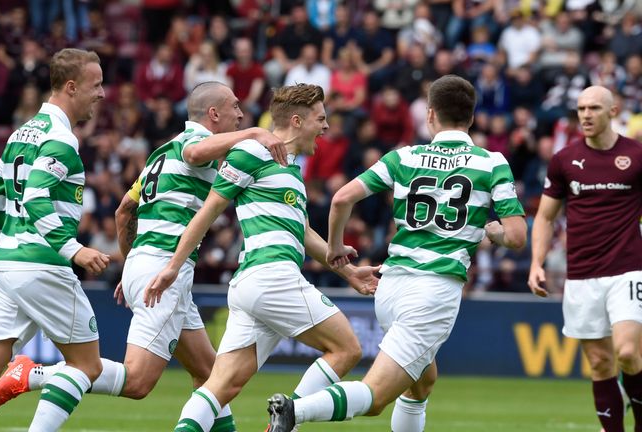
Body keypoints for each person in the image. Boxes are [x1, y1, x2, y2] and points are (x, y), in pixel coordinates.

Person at [0, 81, 287, 431]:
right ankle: (35, 374)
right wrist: (254, 133)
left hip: (144, 263)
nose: (241, 114)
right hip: (165, 270)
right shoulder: (192, 146)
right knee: (138, 381)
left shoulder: (162, 153)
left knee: (209, 374)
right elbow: (195, 154)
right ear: (214, 114)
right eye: (235, 107)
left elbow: (124, 211)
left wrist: (130, 267)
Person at [266, 75, 527, 432]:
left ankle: (295, 412)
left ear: (430, 114)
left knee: (421, 383)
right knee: (375, 397)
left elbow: (342, 198)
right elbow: (516, 236)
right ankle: (294, 412)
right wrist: (494, 233)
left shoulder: (404, 156)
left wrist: (335, 248)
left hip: (390, 289)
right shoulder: (491, 163)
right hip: (433, 291)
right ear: (471, 117)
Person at [145, 83, 380, 432]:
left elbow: (304, 233)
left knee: (220, 387)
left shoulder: (291, 169)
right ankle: (288, 420)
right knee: (346, 349)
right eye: (320, 119)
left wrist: (350, 273)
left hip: (253, 285)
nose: (326, 126)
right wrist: (172, 267)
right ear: (297, 121)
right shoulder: (253, 152)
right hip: (272, 276)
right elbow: (208, 211)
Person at [0, 48, 111, 432]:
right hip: (41, 264)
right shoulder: (61, 138)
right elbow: (36, 196)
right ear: (71, 87)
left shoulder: (20, 133)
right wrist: (74, 250)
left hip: (4, 262)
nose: (102, 93)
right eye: (95, 85)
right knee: (86, 365)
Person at [528, 85, 642, 432]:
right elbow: (545, 217)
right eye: (581, 109)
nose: (586, 115)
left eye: (594, 108)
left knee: (627, 352)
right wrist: (536, 263)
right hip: (581, 274)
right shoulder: (564, 160)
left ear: (613, 111)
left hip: (628, 269)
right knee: (600, 363)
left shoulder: (636, 155)